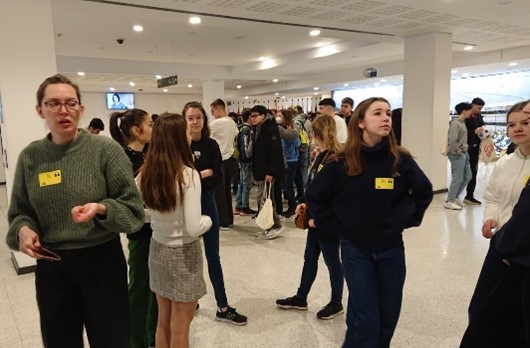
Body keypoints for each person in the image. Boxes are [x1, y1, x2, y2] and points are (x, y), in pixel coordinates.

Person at [5, 74, 145, 347]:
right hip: (52, 267)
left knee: (112, 339)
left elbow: (133, 209)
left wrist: (102, 208)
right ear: (40, 110)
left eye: (70, 103)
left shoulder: (105, 151)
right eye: (53, 103)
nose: (63, 110)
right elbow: (20, 212)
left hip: (102, 262)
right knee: (60, 341)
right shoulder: (30, 157)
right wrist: (23, 229)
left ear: (81, 109)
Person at [306, 97, 433, 348]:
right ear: (361, 122)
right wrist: (337, 227)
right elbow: (315, 196)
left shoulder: (400, 159)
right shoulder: (341, 161)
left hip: (392, 250)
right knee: (365, 321)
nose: (386, 118)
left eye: (388, 113)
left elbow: (423, 192)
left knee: (387, 319)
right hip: (356, 251)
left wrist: (401, 219)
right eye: (377, 113)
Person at [137, 112, 212, 348]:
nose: (191, 134)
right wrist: (208, 220)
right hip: (183, 254)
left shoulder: (145, 173)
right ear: (179, 139)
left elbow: (144, 213)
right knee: (181, 326)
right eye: (188, 132)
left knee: (163, 321)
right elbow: (193, 226)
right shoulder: (188, 175)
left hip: (157, 250)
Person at [465, 100, 530, 344]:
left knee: (516, 320)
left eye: (525, 123)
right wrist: (490, 217)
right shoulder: (504, 163)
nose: (518, 129)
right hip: (499, 248)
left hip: (523, 252)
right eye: (512, 124)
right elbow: (492, 196)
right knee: (480, 309)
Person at [183, 101, 248, 325]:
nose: (195, 122)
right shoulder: (179, 145)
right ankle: (191, 300)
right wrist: (205, 172)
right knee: (189, 256)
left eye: (198, 117)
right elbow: (177, 178)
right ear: (185, 120)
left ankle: (222, 306)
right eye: (190, 117)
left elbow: (219, 177)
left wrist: (194, 175)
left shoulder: (210, 144)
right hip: (184, 205)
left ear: (204, 119)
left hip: (207, 201)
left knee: (213, 256)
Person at [276, 115, 345, 320]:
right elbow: (316, 187)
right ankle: (301, 297)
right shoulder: (322, 157)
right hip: (315, 219)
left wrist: (319, 221)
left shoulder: (335, 161)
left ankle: (336, 302)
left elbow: (337, 199)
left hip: (326, 223)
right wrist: (306, 204)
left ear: (314, 134)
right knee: (310, 259)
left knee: (333, 262)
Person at [109, 108, 157, 348]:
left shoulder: (148, 154)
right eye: (149, 124)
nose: (153, 128)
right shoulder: (124, 160)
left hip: (157, 231)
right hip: (140, 233)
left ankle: (151, 338)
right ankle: (135, 341)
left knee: (154, 292)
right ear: (136, 131)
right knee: (139, 291)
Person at [249, 105, 285, 239]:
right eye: (251, 116)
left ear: (262, 116)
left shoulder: (270, 128)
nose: (252, 119)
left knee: (265, 198)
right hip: (263, 169)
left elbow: (274, 152)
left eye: (255, 116)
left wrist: (270, 172)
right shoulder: (259, 128)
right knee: (267, 198)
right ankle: (269, 225)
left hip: (269, 170)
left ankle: (275, 224)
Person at [210, 98, 239, 230]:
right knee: (226, 191)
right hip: (230, 159)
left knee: (219, 192)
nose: (212, 114)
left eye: (212, 111)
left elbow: (202, 133)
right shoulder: (232, 122)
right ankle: (229, 219)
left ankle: (223, 222)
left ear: (218, 109)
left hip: (220, 159)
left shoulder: (218, 123)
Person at [444, 102, 473, 210]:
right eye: (469, 110)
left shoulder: (462, 123)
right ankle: (449, 200)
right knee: (458, 177)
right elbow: (452, 141)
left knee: (468, 176)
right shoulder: (456, 124)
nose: (471, 113)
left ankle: (455, 196)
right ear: (464, 111)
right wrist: (458, 151)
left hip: (464, 153)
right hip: (457, 154)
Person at [278, 108, 300, 218]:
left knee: (288, 185)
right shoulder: (280, 129)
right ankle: (290, 204)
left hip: (291, 160)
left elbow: (297, 143)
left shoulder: (292, 128)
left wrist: (290, 133)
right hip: (283, 160)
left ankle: (292, 207)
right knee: (285, 185)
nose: (278, 118)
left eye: (280, 116)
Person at [464, 97, 486, 205]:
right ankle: (452, 197)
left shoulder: (478, 116)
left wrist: (482, 129)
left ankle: (469, 195)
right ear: (472, 105)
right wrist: (474, 131)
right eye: (478, 108)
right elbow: (461, 132)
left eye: (481, 108)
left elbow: (482, 125)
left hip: (475, 147)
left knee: (473, 171)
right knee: (460, 174)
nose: (479, 110)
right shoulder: (464, 117)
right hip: (465, 147)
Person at [234, 108, 255, 216]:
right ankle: (244, 207)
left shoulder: (241, 128)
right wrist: (248, 156)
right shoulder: (246, 130)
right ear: (249, 116)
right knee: (246, 184)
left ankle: (239, 205)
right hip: (246, 160)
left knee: (241, 184)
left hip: (241, 160)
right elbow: (245, 146)